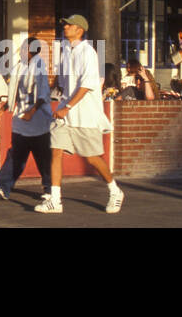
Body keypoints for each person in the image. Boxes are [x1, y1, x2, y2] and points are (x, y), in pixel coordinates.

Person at [36, 15, 122, 214]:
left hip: (85, 114)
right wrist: (53, 93)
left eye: (69, 25)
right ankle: (55, 201)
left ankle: (115, 190)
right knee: (56, 151)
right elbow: (63, 80)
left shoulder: (88, 53)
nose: (65, 27)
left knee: (92, 158)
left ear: (80, 30)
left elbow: (86, 85)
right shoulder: (65, 49)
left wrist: (68, 107)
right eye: (64, 24)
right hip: (65, 113)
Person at [0, 37, 53, 201]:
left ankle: (50, 189)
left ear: (33, 51)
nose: (22, 51)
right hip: (21, 120)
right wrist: (3, 109)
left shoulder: (39, 66)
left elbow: (43, 94)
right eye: (22, 48)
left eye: (26, 48)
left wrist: (32, 112)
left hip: (38, 121)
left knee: (43, 156)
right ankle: (3, 187)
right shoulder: (19, 67)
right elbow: (14, 93)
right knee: (16, 154)